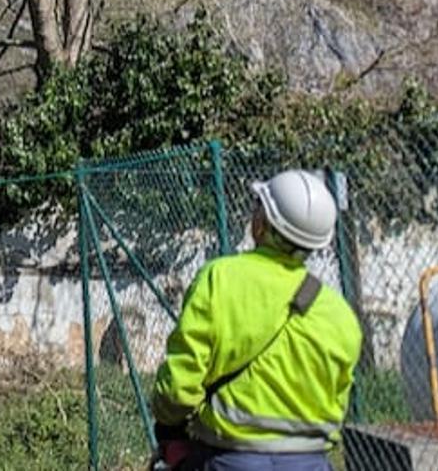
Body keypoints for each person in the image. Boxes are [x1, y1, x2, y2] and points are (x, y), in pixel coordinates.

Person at [150, 170, 363, 471]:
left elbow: (178, 388)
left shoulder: (219, 279)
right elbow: (338, 401)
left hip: (227, 459)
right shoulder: (340, 314)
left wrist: (169, 427)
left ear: (261, 223)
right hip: (311, 463)